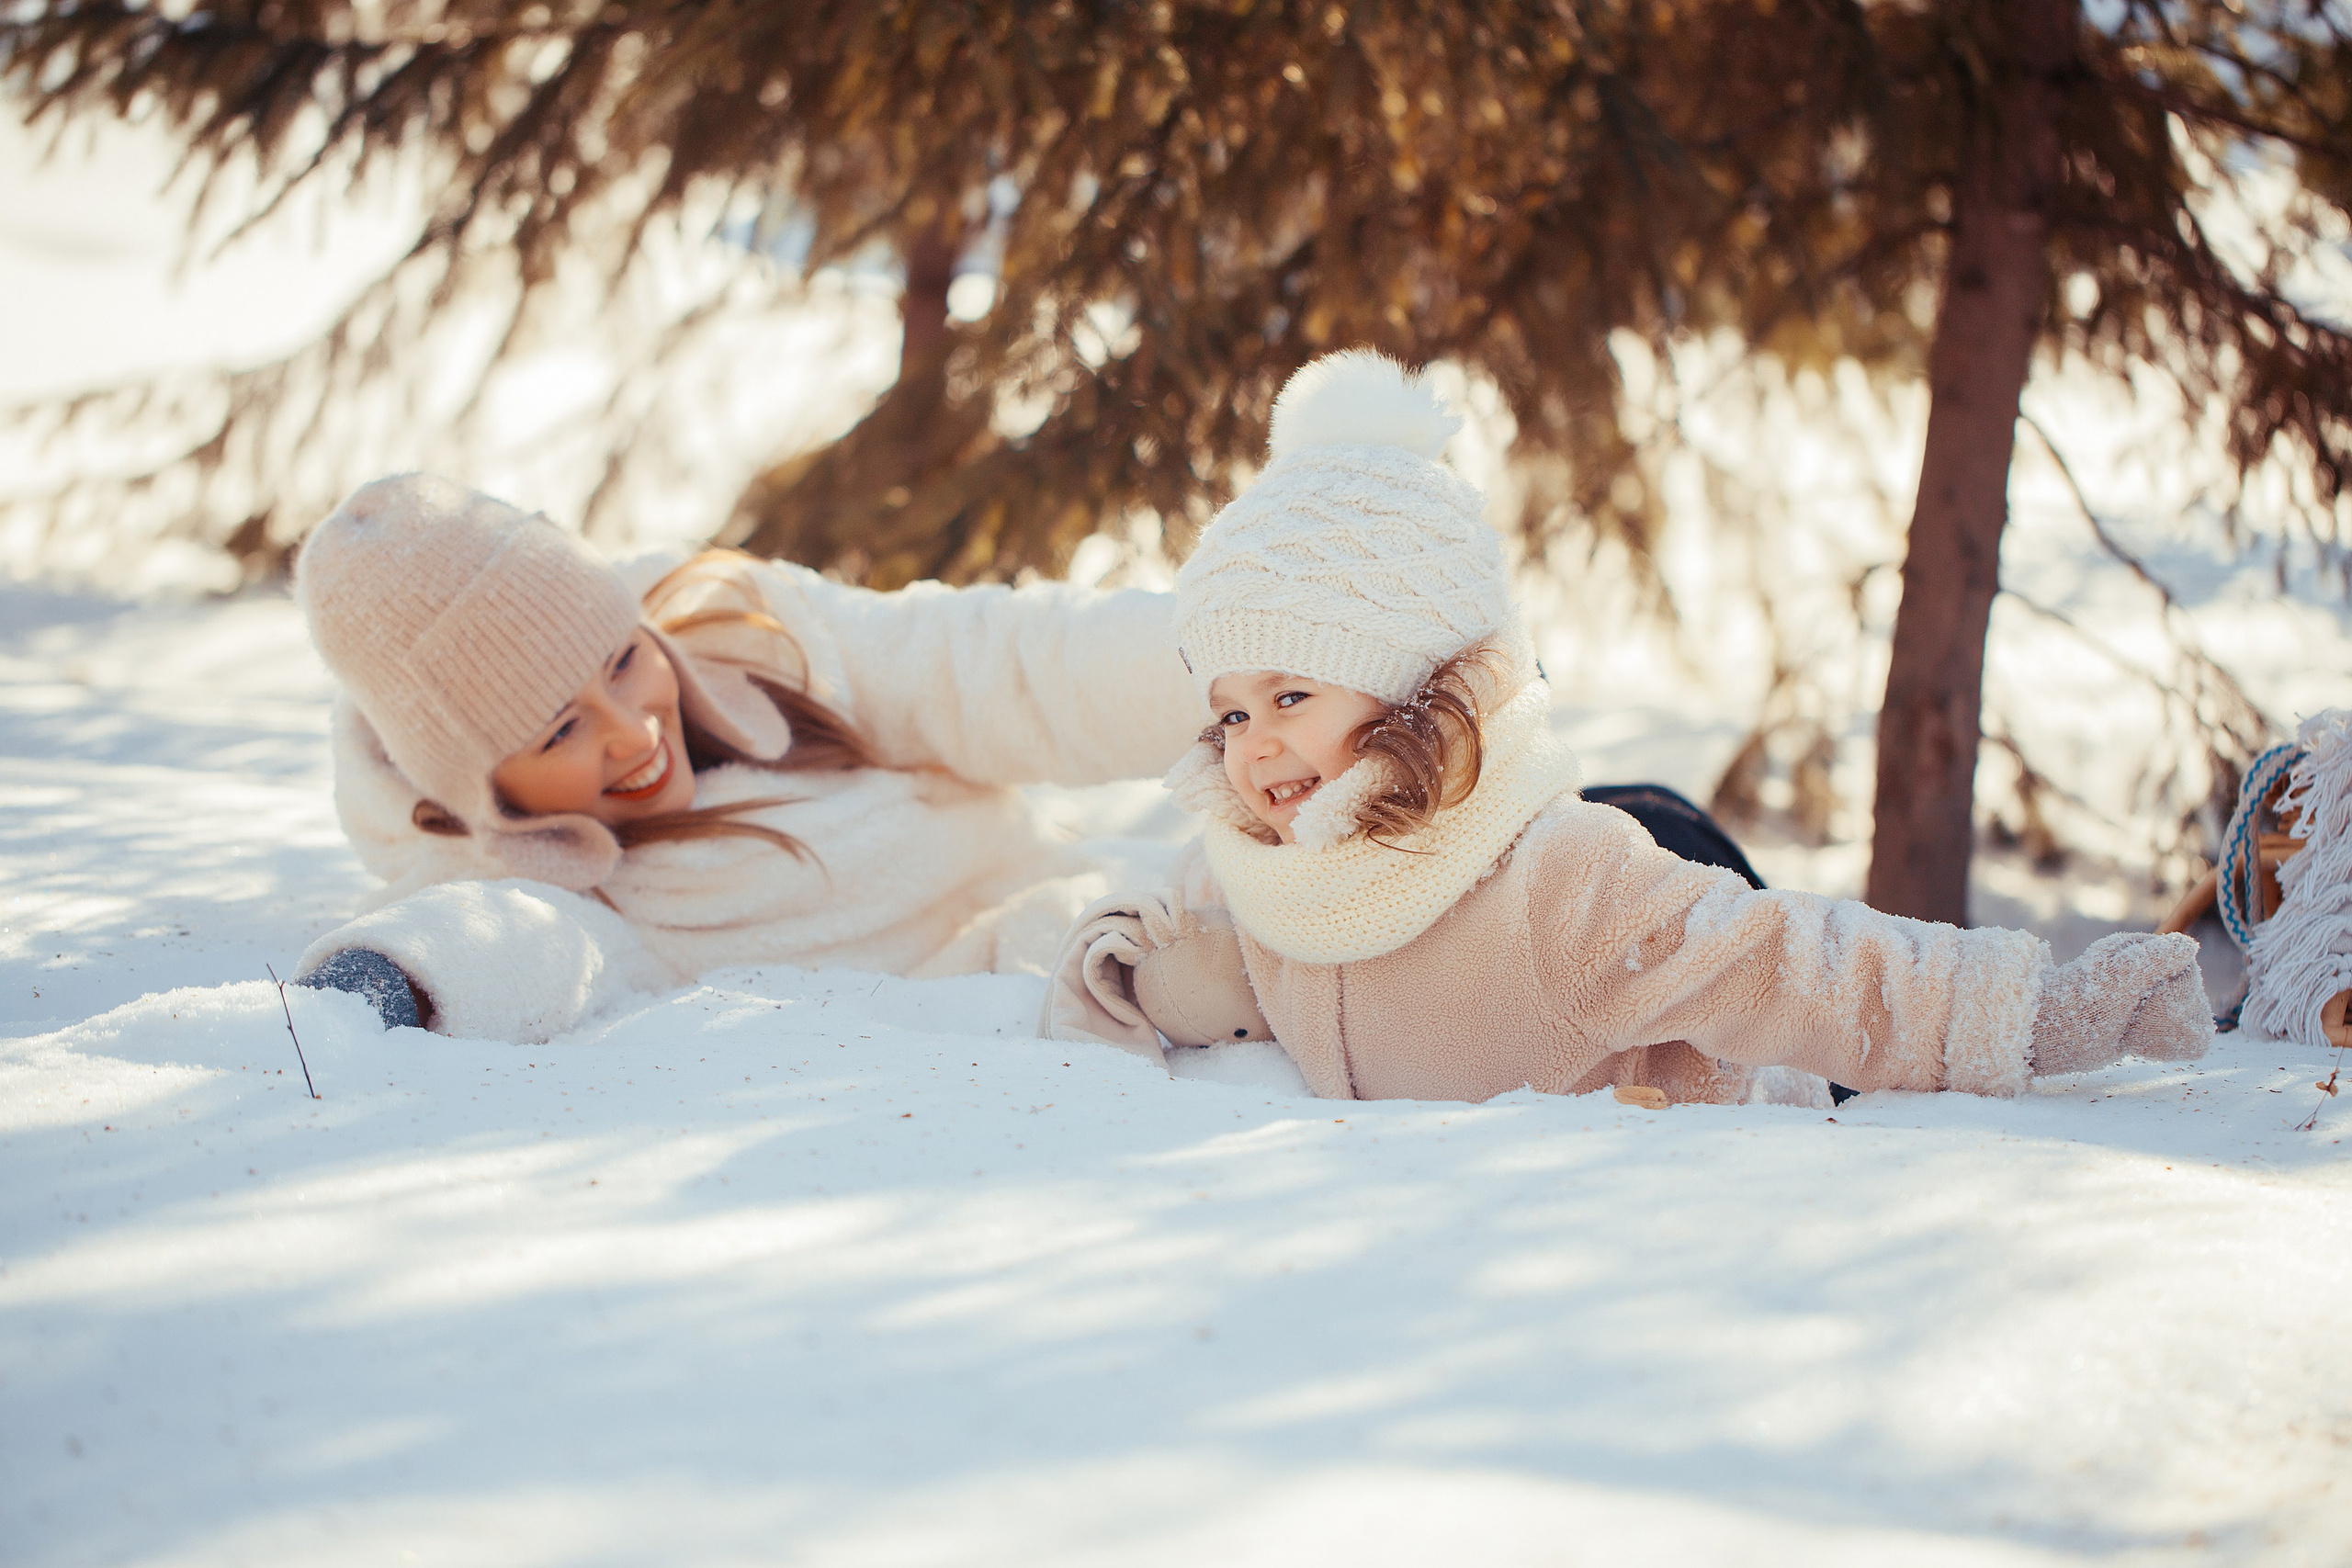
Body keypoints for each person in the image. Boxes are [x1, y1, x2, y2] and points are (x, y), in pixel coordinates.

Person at [1043, 350, 2212, 1103]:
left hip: (1738, 1117)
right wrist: (1136, 969)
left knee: (1673, 852)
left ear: (1407, 688)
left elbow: (1802, 972)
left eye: (1292, 696)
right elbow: (1152, 938)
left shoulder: (1556, 892)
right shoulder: (1261, 882)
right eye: (1232, 711)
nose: (1251, 744)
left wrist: (2049, 1007)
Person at [292, 473, 1200, 1042]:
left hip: (1100, 888)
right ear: (483, 791)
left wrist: (1237, 668)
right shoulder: (547, 882)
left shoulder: (752, 631)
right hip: (1014, 1004)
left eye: (622, 659)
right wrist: (393, 974)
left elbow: (993, 667)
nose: (634, 730)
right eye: (560, 731)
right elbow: (521, 939)